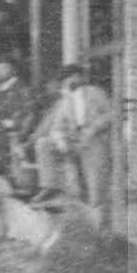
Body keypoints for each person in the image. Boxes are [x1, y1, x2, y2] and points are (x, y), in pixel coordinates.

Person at [31, 62, 116, 213]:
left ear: (81, 77)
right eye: (67, 79)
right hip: (73, 140)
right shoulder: (65, 100)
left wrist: (94, 128)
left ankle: (96, 210)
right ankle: (50, 186)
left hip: (93, 139)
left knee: (95, 182)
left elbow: (111, 115)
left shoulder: (95, 93)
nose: (71, 82)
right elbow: (57, 127)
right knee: (43, 144)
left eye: (75, 77)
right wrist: (61, 141)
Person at [0, 53, 40, 194]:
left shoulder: (22, 88)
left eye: (3, 67)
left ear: (12, 69)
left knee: (12, 171)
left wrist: (17, 129)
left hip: (14, 135)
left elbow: (30, 114)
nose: (0, 71)